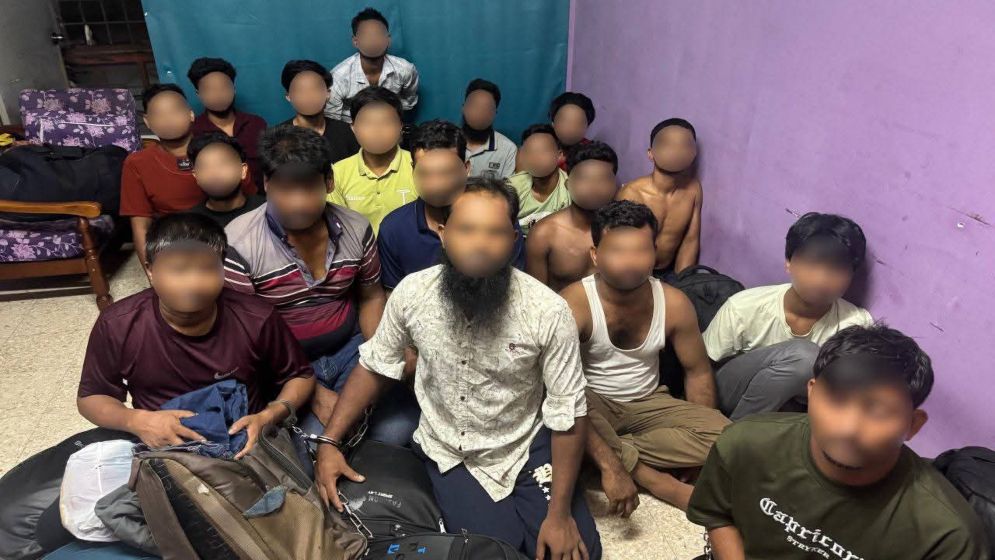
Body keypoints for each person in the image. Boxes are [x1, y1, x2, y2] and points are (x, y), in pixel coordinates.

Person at [315, 177, 602, 559]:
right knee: (494, 552)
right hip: (451, 449)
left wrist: (560, 513)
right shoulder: (412, 293)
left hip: (524, 441)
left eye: (495, 232)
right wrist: (329, 442)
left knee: (579, 552)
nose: (480, 244)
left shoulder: (547, 311)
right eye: (466, 229)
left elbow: (569, 410)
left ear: (513, 240)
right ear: (444, 233)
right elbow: (375, 366)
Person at [688, 324, 989, 559]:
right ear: (811, 392)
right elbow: (718, 515)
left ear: (913, 425)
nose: (848, 427)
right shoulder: (745, 444)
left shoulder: (946, 535)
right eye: (836, 400)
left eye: (879, 411)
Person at [223, 125, 417, 446]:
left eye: (309, 188)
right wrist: (312, 392)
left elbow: (371, 297)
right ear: (266, 184)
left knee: (399, 431)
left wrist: (379, 358)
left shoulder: (356, 228)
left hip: (350, 349)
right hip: (286, 368)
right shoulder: (239, 243)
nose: (298, 203)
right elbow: (246, 337)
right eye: (285, 189)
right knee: (312, 445)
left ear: (329, 182)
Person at [77, 213, 315, 456]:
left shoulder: (256, 317)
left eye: (208, 268)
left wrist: (268, 416)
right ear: (150, 270)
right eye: (179, 270)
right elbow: (92, 397)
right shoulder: (118, 324)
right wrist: (137, 421)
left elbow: (301, 376)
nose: (194, 284)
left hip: (244, 444)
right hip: (163, 446)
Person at [560, 201, 728, 513]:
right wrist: (638, 471)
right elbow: (559, 389)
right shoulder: (574, 303)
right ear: (596, 255)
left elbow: (698, 373)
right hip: (591, 401)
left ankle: (604, 450)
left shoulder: (674, 303)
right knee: (563, 410)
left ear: (655, 253)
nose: (630, 262)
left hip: (648, 402)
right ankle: (652, 478)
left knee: (726, 438)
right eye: (618, 251)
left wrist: (698, 454)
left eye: (641, 250)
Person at [704, 213, 873, 421]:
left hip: (793, 410)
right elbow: (702, 367)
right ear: (789, 263)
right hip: (728, 395)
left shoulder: (855, 325)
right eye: (811, 263)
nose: (821, 279)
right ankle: (736, 434)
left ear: (851, 275)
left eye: (837, 269)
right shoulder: (744, 306)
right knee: (805, 357)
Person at [377, 119, 525, 291]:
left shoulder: (499, 220)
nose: (437, 185)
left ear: (466, 168)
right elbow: (393, 294)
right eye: (426, 173)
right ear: (413, 170)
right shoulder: (394, 228)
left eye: (447, 172)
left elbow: (514, 288)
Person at [121, 84, 256, 265]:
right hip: (176, 244)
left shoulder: (222, 150)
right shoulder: (137, 163)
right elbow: (140, 226)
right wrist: (153, 272)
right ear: (147, 121)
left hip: (235, 238)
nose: (168, 119)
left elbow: (252, 204)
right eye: (159, 114)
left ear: (191, 114)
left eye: (175, 111)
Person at [527, 141, 618, 292]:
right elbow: (535, 296)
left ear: (615, 185)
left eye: (603, 179)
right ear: (568, 184)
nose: (593, 187)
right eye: (584, 178)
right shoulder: (544, 233)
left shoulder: (625, 231)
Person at [616, 118, 701, 278]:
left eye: (685, 145)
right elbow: (623, 247)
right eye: (668, 145)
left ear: (694, 153)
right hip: (633, 273)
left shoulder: (693, 189)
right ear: (651, 153)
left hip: (669, 273)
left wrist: (683, 283)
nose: (676, 151)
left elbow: (690, 240)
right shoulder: (632, 193)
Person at [329, 86, 414, 233]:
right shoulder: (338, 173)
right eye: (367, 123)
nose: (376, 131)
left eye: (386, 122)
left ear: (400, 126)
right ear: (353, 127)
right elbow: (338, 228)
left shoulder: (418, 166)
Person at [325, 7, 419, 123]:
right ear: (355, 41)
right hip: (351, 127)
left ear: (388, 40)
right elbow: (333, 119)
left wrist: (390, 117)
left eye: (378, 34)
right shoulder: (338, 77)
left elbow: (409, 101)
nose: (373, 40)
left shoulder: (405, 69)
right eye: (366, 35)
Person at [187, 57, 267, 188]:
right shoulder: (193, 131)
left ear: (234, 89)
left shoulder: (256, 124)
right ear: (198, 94)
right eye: (209, 89)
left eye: (223, 87)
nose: (218, 94)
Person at [279, 59, 360, 164]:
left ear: (328, 93)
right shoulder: (278, 137)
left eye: (315, 89)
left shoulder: (346, 132)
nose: (309, 96)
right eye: (300, 90)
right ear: (288, 96)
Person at [185, 132, 265, 228]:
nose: (214, 174)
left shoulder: (268, 209)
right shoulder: (189, 223)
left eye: (223, 164)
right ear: (196, 176)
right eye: (204, 167)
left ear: (243, 171)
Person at [508, 124, 570, 236]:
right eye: (529, 151)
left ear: (559, 156)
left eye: (544, 151)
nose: (536, 158)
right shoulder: (512, 187)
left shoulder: (571, 189)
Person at [461, 78, 517, 179]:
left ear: (495, 113)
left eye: (486, 108)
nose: (479, 112)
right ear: (463, 108)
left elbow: (509, 188)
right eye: (474, 105)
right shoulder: (447, 141)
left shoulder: (508, 149)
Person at [549, 92, 596, 170]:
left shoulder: (592, 154)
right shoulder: (537, 145)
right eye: (565, 121)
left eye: (579, 123)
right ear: (553, 123)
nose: (571, 129)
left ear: (587, 127)